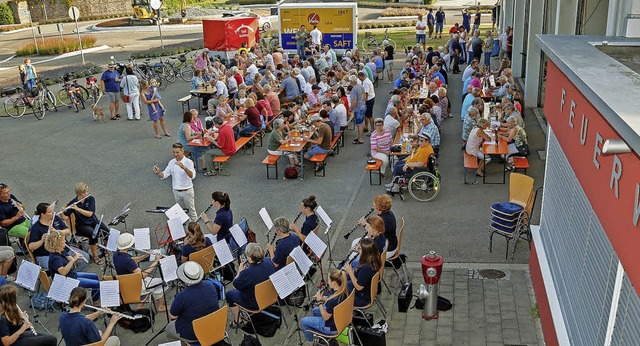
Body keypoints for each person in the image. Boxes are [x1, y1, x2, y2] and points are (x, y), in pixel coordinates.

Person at [166, 262, 219, 344]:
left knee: (169, 329)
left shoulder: (182, 295)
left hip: (193, 334)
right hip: (214, 326)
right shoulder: (210, 285)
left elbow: (173, 315)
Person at [113, 233, 167, 311]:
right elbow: (142, 275)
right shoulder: (127, 260)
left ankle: (142, 302)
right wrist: (155, 262)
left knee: (150, 281)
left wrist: (144, 256)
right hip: (134, 286)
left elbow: (132, 260)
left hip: (125, 282)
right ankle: (160, 306)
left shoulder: (116, 254)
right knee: (161, 282)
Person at [28, 203, 89, 271]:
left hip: (63, 248)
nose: (53, 213)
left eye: (52, 210)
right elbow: (31, 246)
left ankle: (73, 277)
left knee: (85, 257)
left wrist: (56, 231)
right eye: (50, 212)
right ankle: (66, 277)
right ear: (42, 214)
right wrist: (41, 240)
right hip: (47, 254)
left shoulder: (55, 218)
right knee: (63, 266)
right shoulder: (36, 227)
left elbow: (68, 231)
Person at [227, 243, 276, 327]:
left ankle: (238, 321)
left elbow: (235, 285)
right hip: (272, 295)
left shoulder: (247, 273)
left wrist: (240, 271)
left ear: (249, 258)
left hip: (256, 304)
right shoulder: (268, 261)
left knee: (229, 294)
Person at [61, 182, 109, 264]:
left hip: (93, 221)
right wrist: (62, 212)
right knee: (93, 234)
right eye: (84, 192)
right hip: (81, 225)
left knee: (106, 231)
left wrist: (78, 209)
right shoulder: (73, 202)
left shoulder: (90, 199)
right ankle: (95, 256)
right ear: (79, 193)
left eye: (87, 191)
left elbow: (90, 213)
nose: (86, 193)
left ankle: (105, 250)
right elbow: (65, 217)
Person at [45, 231, 100, 302]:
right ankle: (95, 302)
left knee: (95, 276)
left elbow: (70, 263)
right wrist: (73, 260)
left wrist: (75, 259)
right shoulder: (55, 258)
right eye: (63, 240)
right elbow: (63, 272)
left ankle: (94, 296)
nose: (65, 241)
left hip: (71, 275)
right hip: (67, 281)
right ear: (58, 243)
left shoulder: (61, 251)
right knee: (97, 284)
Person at [300, 269, 348, 343]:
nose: (327, 281)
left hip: (332, 328)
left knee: (303, 321)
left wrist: (319, 302)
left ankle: (311, 342)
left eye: (328, 279)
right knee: (315, 310)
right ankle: (319, 333)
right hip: (341, 320)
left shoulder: (333, 300)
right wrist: (323, 298)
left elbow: (325, 317)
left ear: (334, 283)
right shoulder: (343, 291)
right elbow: (333, 304)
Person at [152, 143, 197, 222]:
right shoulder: (171, 162)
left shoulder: (188, 162)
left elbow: (192, 175)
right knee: (180, 211)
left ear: (182, 151)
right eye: (173, 152)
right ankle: (185, 230)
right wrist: (158, 173)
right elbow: (164, 174)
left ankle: (196, 230)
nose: (175, 154)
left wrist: (184, 168)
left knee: (191, 212)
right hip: (176, 191)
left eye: (177, 152)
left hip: (187, 191)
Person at [343, 238, 380, 308]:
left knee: (342, 287)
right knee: (342, 277)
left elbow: (359, 287)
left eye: (359, 249)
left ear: (365, 252)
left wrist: (350, 272)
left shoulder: (366, 268)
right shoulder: (373, 258)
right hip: (366, 290)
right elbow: (361, 275)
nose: (358, 249)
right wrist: (350, 272)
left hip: (363, 298)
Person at [349, 76, 366, 144]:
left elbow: (354, 101)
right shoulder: (361, 86)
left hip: (358, 108)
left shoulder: (354, 89)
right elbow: (364, 96)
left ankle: (361, 139)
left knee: (359, 124)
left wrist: (350, 109)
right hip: (363, 106)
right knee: (361, 123)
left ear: (351, 82)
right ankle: (359, 137)